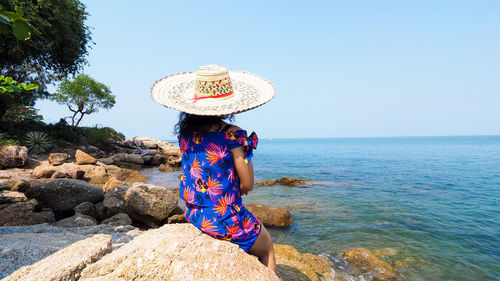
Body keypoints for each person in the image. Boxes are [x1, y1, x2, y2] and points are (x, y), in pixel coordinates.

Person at [150, 64, 277, 272]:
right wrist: (244, 154)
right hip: (224, 219)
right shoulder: (232, 133)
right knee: (268, 247)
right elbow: (248, 184)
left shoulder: (186, 135)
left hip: (195, 216)